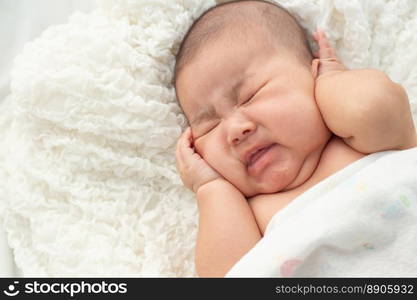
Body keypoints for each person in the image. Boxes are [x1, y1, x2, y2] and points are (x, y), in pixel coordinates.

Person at [173, 0, 417, 277]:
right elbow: (228, 277)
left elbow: (371, 107)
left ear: (312, 73)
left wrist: (331, 79)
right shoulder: (249, 216)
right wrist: (211, 188)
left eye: (250, 95)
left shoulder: (365, 143)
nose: (235, 130)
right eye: (210, 125)